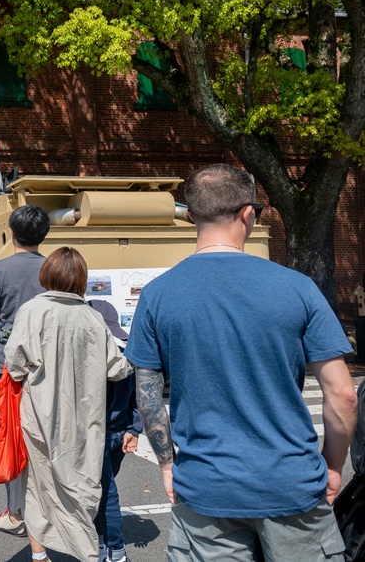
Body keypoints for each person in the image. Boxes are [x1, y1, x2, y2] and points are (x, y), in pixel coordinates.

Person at [125, 164, 358, 562]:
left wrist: (167, 465)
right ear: (248, 214)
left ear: (191, 216)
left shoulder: (158, 295)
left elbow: (147, 397)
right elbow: (342, 394)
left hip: (204, 487)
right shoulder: (297, 288)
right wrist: (332, 466)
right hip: (291, 483)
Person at [5, 247, 134, 562]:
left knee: (37, 486)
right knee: (81, 488)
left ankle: (40, 556)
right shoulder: (92, 317)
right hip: (83, 422)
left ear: (47, 274)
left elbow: (15, 365)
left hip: (38, 417)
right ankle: (86, 552)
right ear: (82, 280)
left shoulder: (32, 311)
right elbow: (117, 368)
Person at [0, 204, 51, 537]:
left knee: (10, 437)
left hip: (6, 368)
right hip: (47, 366)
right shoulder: (53, 268)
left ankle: (16, 513)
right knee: (43, 439)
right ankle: (46, 511)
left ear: (12, 234)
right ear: (44, 234)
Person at [87, 299, 140, 562]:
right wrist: (134, 427)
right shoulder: (127, 352)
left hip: (96, 435)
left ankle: (115, 551)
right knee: (104, 492)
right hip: (120, 432)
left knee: (105, 495)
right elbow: (139, 396)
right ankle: (103, 545)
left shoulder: (91, 356)